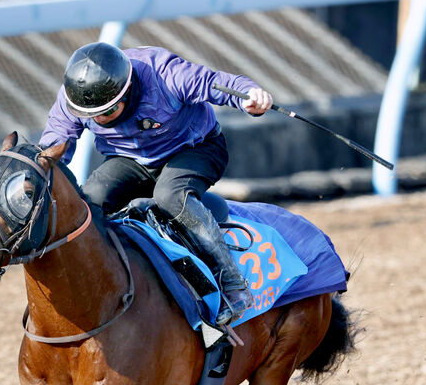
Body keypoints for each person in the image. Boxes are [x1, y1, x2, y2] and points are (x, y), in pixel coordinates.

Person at [38, 42, 273, 327]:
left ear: (126, 92)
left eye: (106, 113)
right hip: (129, 160)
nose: (98, 120)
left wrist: (251, 95)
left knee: (169, 195)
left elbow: (217, 84)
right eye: (91, 116)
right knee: (90, 201)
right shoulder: (75, 97)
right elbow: (54, 144)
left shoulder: (165, 73)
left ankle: (232, 284)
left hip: (194, 148)